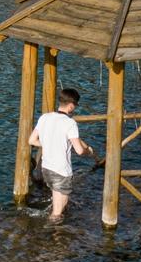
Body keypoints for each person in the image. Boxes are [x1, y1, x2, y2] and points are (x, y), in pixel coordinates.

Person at [29, 88, 96, 221]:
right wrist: (88, 151)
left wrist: (50, 143)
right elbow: (79, 150)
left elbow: (31, 140)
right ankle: (53, 237)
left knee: (56, 203)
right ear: (71, 105)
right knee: (58, 212)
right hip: (61, 172)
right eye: (76, 105)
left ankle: (50, 231)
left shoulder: (44, 117)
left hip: (46, 169)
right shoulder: (70, 123)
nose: (75, 108)